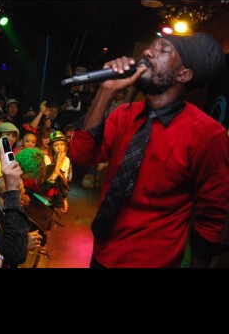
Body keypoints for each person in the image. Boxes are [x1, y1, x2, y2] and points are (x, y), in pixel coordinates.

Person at [70, 32, 229, 268]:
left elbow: (211, 214)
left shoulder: (207, 135)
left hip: (153, 261)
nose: (147, 52)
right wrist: (106, 91)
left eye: (163, 50)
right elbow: (80, 155)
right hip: (103, 253)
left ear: (183, 75)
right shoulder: (125, 114)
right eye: (151, 46)